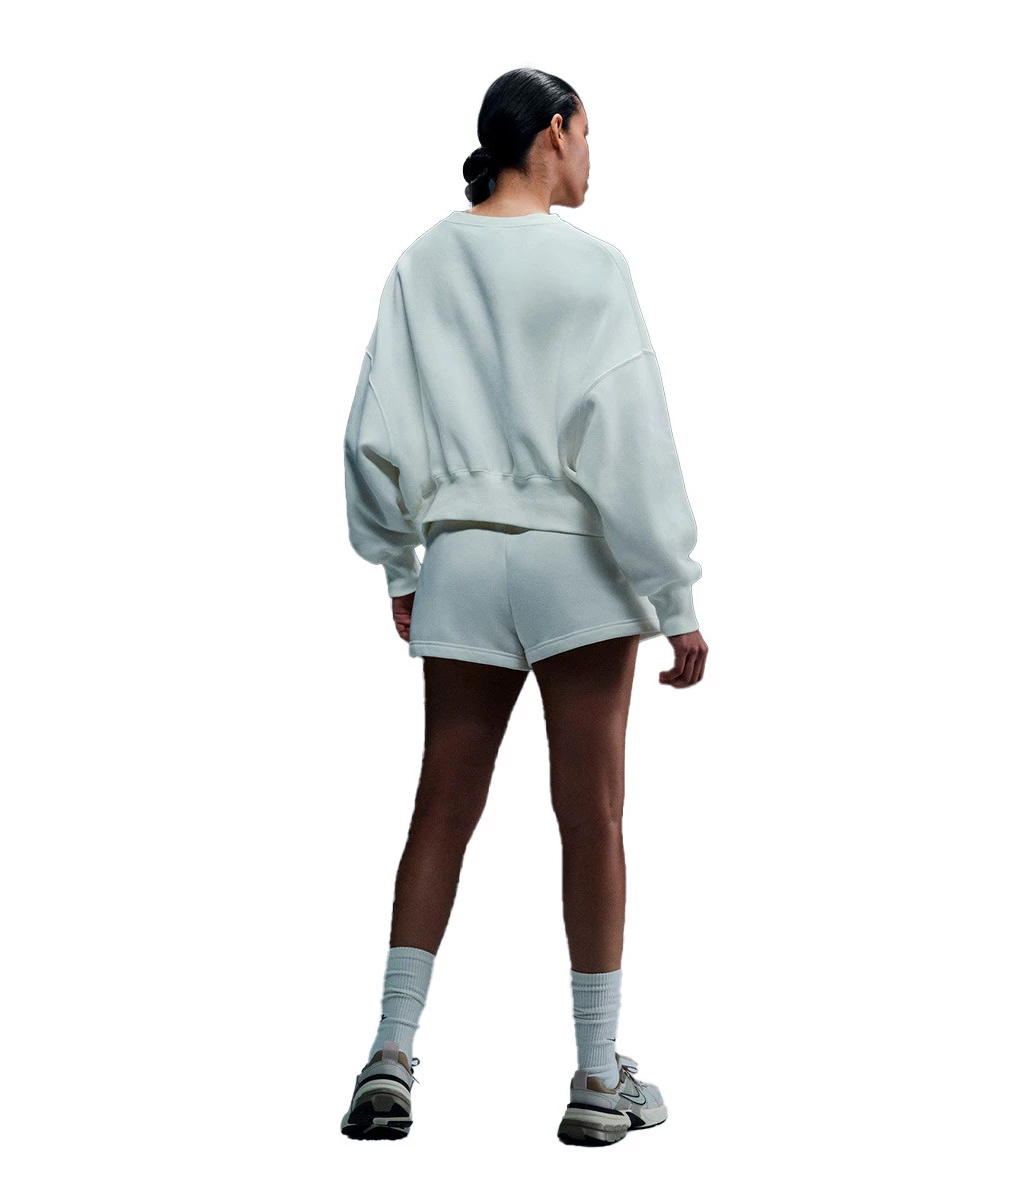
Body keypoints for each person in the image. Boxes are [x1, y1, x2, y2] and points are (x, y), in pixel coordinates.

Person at [338, 67, 708, 1147]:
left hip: (459, 557)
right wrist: (674, 590)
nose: (590, 157)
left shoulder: (422, 261)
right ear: (552, 133)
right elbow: (627, 438)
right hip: (572, 562)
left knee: (440, 810)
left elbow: (371, 430)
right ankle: (596, 1078)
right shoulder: (593, 266)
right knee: (590, 817)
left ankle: (389, 1054)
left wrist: (401, 568)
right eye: (587, 134)